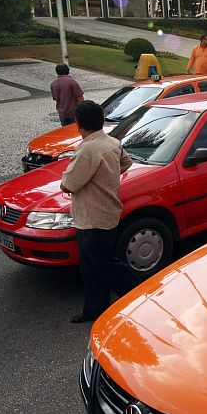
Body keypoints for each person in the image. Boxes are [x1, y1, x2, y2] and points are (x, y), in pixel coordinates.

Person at [60, 100, 134, 324]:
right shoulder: (112, 142)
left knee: (102, 265)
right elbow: (126, 163)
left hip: (91, 218)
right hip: (108, 212)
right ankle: (95, 308)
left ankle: (137, 294)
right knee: (94, 267)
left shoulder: (87, 150)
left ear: (78, 124)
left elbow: (68, 185)